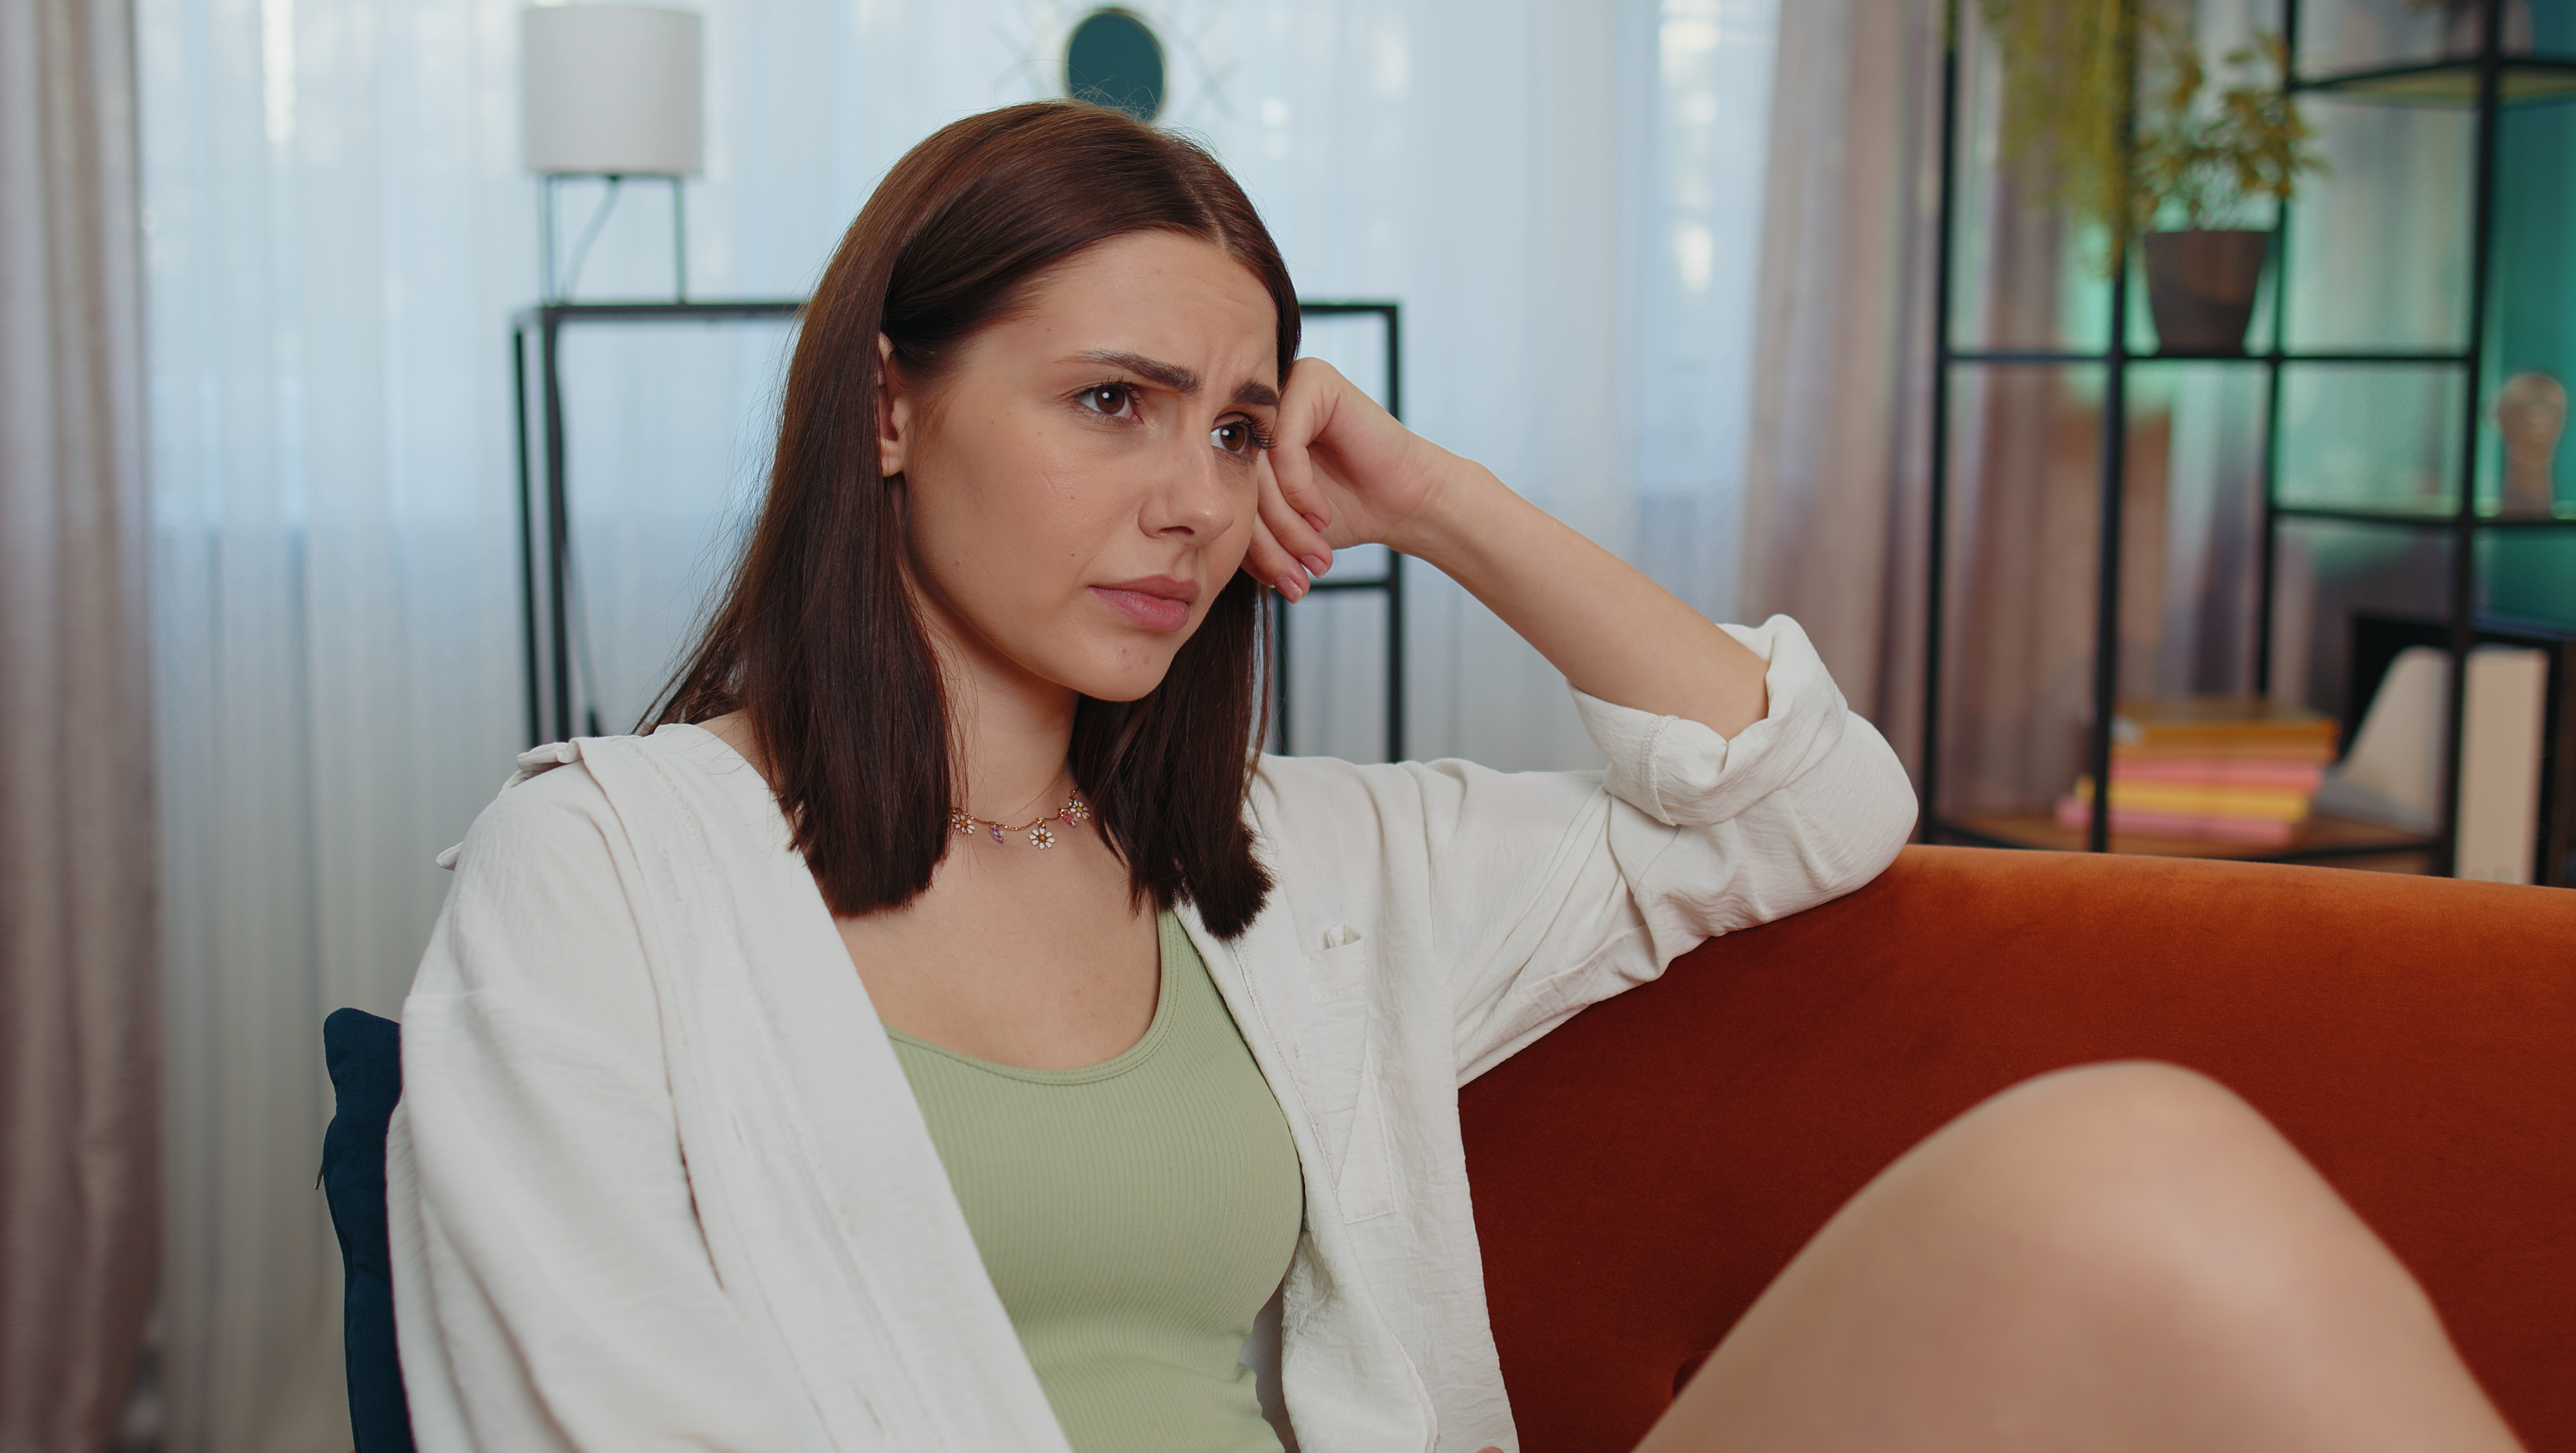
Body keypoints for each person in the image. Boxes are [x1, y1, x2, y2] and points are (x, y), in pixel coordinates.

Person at [386, 101, 2524, 1453]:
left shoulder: (1294, 866)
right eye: (1110, 401)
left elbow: (1812, 811)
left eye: (1234, 430)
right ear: (883, 406)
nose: (1190, 502)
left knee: (2135, 1161)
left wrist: (1442, 498)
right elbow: (583, 1400)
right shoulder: (609, 868)